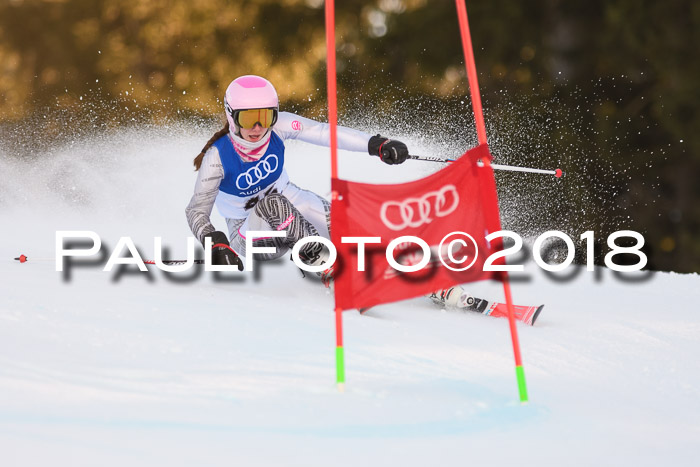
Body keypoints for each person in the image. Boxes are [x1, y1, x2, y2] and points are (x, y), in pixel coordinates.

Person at [185, 75, 409, 277]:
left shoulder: (278, 127)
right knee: (272, 203)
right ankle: (327, 265)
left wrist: (375, 144)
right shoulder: (217, 157)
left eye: (265, 117)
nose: (257, 127)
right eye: (248, 118)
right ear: (232, 116)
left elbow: (322, 132)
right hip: (249, 234)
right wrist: (215, 243)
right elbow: (196, 211)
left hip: (291, 212)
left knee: (344, 223)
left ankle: (417, 272)